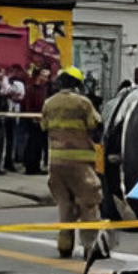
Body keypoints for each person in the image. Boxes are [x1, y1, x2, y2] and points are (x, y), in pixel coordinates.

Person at [42, 67, 106, 258]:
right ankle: (90, 246)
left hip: (56, 163)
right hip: (80, 163)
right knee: (89, 203)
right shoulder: (83, 103)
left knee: (64, 204)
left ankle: (64, 245)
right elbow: (95, 123)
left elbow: (43, 125)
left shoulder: (49, 103)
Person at [22, 68, 51, 176]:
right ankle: (30, 166)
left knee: (39, 144)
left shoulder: (45, 89)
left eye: (46, 77)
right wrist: (32, 117)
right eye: (43, 76)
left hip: (42, 119)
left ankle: (36, 166)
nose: (45, 78)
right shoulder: (30, 89)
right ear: (38, 76)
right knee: (32, 143)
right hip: (33, 119)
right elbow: (27, 104)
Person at [1, 67, 26, 173]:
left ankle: (10, 161)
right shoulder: (3, 81)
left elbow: (21, 96)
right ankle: (4, 161)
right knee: (4, 140)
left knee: (13, 139)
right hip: (4, 114)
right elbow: (4, 92)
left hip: (15, 113)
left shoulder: (19, 84)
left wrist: (12, 95)